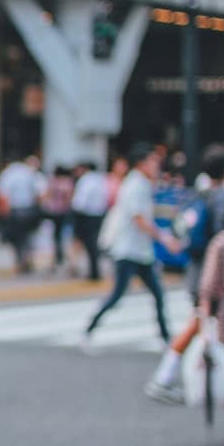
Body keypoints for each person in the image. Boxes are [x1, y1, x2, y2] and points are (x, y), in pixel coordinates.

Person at [146, 147, 224, 404]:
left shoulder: (197, 193)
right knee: (198, 324)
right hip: (214, 276)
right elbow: (223, 237)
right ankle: (164, 376)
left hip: (197, 270)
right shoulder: (222, 198)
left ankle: (167, 375)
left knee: (200, 324)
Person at [85, 144, 177, 346]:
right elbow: (139, 219)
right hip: (129, 250)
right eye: (153, 161)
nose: (156, 165)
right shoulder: (136, 185)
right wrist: (164, 238)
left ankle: (165, 337)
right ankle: (90, 327)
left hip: (139, 251)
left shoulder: (141, 183)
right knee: (119, 295)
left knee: (157, 294)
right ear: (142, 163)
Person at [196, 192, 224, 442]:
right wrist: (205, 326)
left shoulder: (222, 242)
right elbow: (207, 289)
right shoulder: (223, 244)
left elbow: (207, 288)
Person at [0, 153, 45, 273]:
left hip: (15, 209)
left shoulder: (8, 174)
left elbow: (3, 194)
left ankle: (19, 259)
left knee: (16, 238)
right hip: (29, 208)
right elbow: (39, 193)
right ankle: (28, 257)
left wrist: (2, 212)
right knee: (28, 236)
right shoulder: (29, 172)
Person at [70, 162, 110, 281]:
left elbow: (80, 202)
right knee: (93, 244)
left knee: (88, 244)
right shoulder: (100, 180)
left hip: (86, 216)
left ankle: (93, 271)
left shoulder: (86, 180)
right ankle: (94, 270)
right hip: (99, 215)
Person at [39, 163, 74, 271]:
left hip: (53, 212)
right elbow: (69, 197)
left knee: (55, 237)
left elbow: (46, 195)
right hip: (64, 212)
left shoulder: (52, 182)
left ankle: (55, 260)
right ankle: (66, 260)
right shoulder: (67, 182)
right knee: (65, 237)